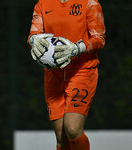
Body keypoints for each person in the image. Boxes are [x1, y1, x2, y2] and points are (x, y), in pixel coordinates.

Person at [27, 0, 106, 149]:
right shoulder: (42, 4)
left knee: (72, 129)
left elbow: (99, 38)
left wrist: (77, 48)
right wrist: (33, 40)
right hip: (53, 75)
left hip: (81, 72)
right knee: (61, 139)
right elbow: (34, 34)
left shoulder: (90, 3)